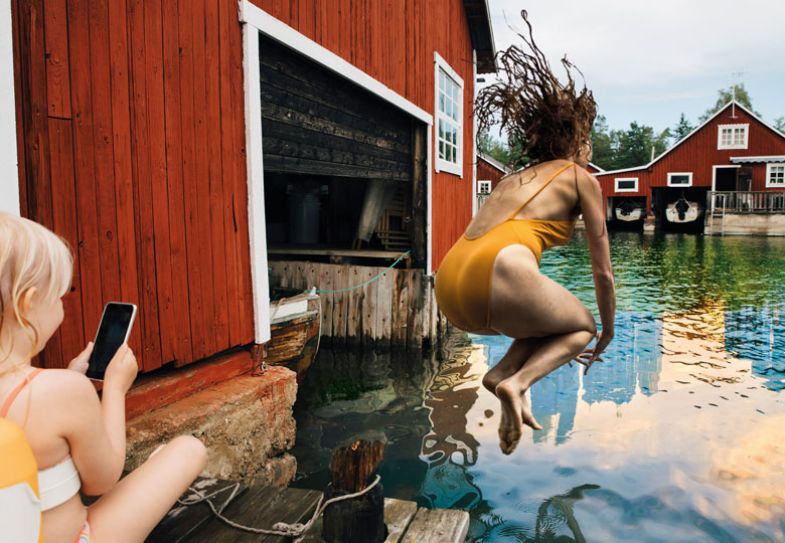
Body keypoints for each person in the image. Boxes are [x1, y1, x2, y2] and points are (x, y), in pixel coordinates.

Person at [434, 12, 615, 455]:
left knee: (547, 320)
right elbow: (603, 273)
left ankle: (500, 377)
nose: (588, 148)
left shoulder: (509, 180)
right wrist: (606, 330)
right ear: (576, 138)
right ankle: (517, 384)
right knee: (579, 327)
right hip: (501, 270)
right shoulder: (579, 176)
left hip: (451, 280)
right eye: (587, 137)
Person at [0, 212, 207, 542]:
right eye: (58, 297)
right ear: (28, 304)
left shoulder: (52, 389)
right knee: (188, 449)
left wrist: (67, 378)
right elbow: (103, 479)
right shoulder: (65, 392)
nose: (61, 309)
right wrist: (114, 388)